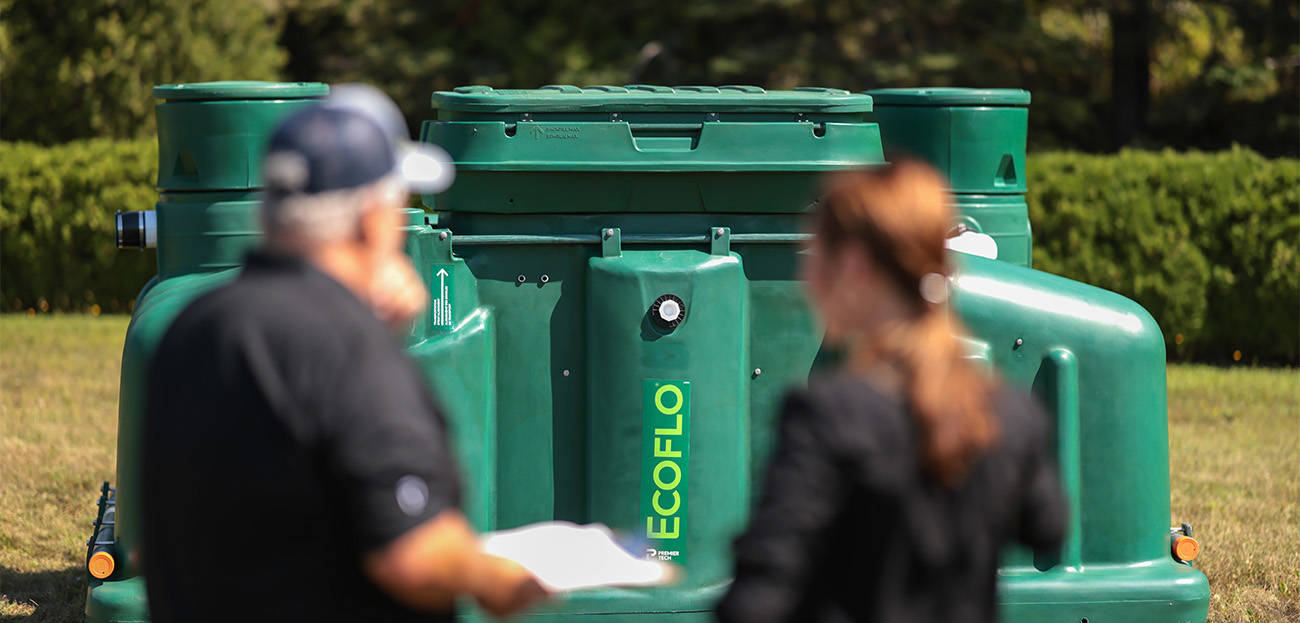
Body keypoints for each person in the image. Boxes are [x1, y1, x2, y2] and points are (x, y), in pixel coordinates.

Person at [140, 85, 546, 622]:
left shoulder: (192, 327)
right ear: (371, 219)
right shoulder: (347, 347)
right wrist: (503, 577)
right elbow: (413, 555)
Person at [715, 162, 1067, 623]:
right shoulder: (1011, 412)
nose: (809, 276)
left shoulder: (827, 418)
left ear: (856, 268)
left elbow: (759, 596)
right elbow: (1047, 526)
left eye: (817, 257)